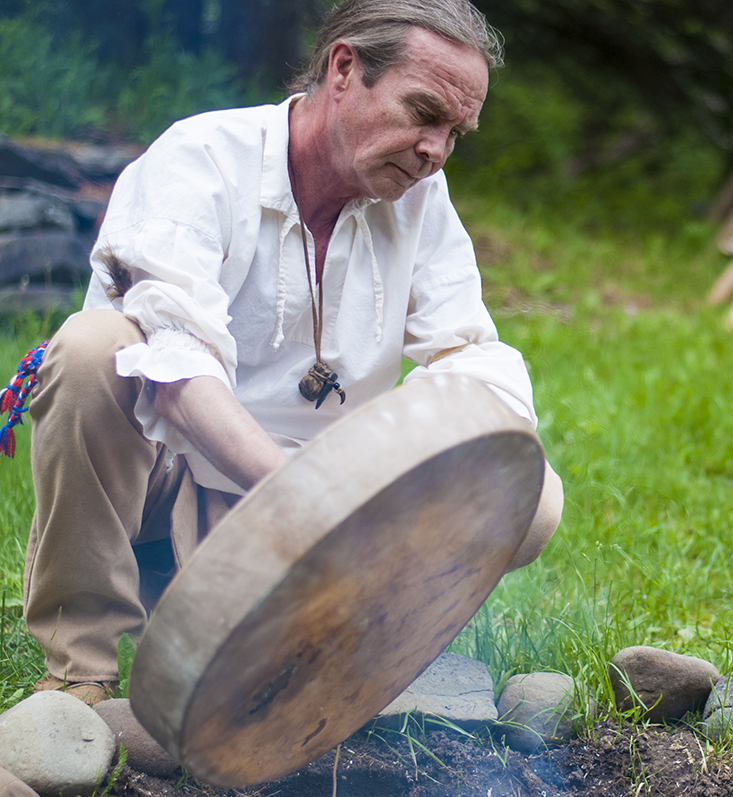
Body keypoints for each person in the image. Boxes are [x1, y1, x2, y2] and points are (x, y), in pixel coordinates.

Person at [12, 0, 563, 706]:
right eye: (424, 112)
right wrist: (307, 498)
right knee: (95, 349)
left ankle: (334, 644)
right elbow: (178, 365)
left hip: (319, 535)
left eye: (455, 132)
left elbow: (469, 355)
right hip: (168, 485)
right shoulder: (201, 158)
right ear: (344, 68)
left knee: (531, 492)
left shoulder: (421, 199)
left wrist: (403, 483)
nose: (436, 150)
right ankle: (80, 673)